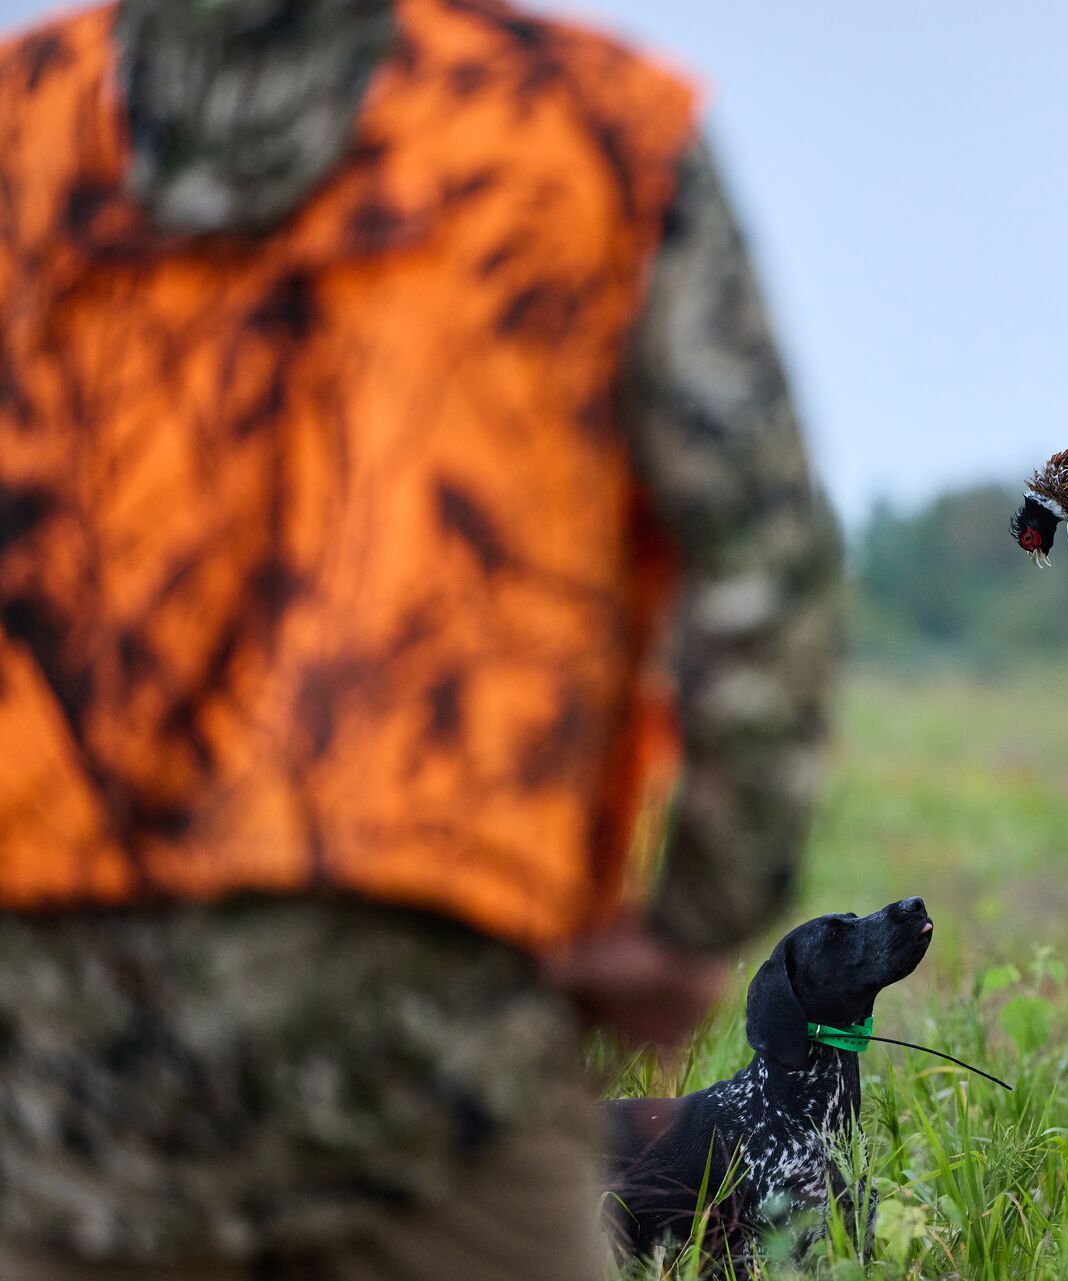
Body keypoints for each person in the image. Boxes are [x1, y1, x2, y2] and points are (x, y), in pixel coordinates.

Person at [0, 1, 839, 1278]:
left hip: (55, 1072)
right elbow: (765, 563)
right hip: (440, 1044)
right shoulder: (592, 126)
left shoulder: (24, 122)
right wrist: (691, 924)